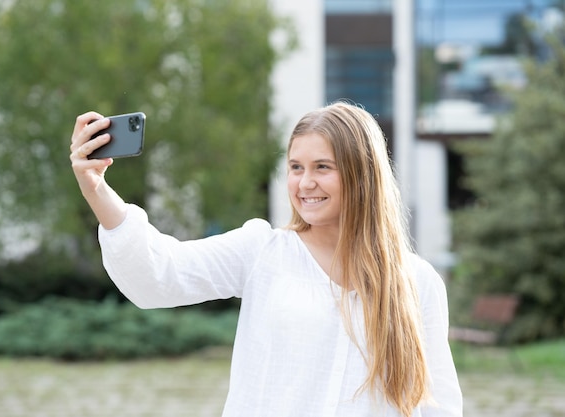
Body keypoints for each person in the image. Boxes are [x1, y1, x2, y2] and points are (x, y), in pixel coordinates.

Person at [69, 102, 463, 416]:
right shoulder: (262, 252)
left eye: (322, 167)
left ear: (362, 176)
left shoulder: (417, 282)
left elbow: (437, 404)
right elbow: (158, 274)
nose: (305, 183)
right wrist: (96, 189)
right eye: (295, 167)